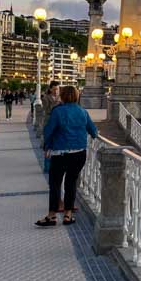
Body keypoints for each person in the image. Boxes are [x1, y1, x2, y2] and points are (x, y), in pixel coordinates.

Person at [35, 86, 97, 227]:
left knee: (55, 184)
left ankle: (52, 216)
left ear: (62, 96)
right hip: (79, 153)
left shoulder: (57, 112)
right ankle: (68, 215)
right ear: (76, 97)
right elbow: (94, 132)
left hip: (60, 153)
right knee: (71, 183)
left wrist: (47, 147)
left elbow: (48, 130)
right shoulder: (83, 112)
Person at [40, 81, 61, 172]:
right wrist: (57, 105)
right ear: (50, 89)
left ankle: (55, 165)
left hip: (58, 124)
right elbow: (46, 110)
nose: (56, 91)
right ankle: (47, 166)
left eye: (58, 89)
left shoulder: (60, 98)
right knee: (48, 144)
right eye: (55, 89)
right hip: (48, 122)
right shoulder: (46, 98)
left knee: (56, 144)